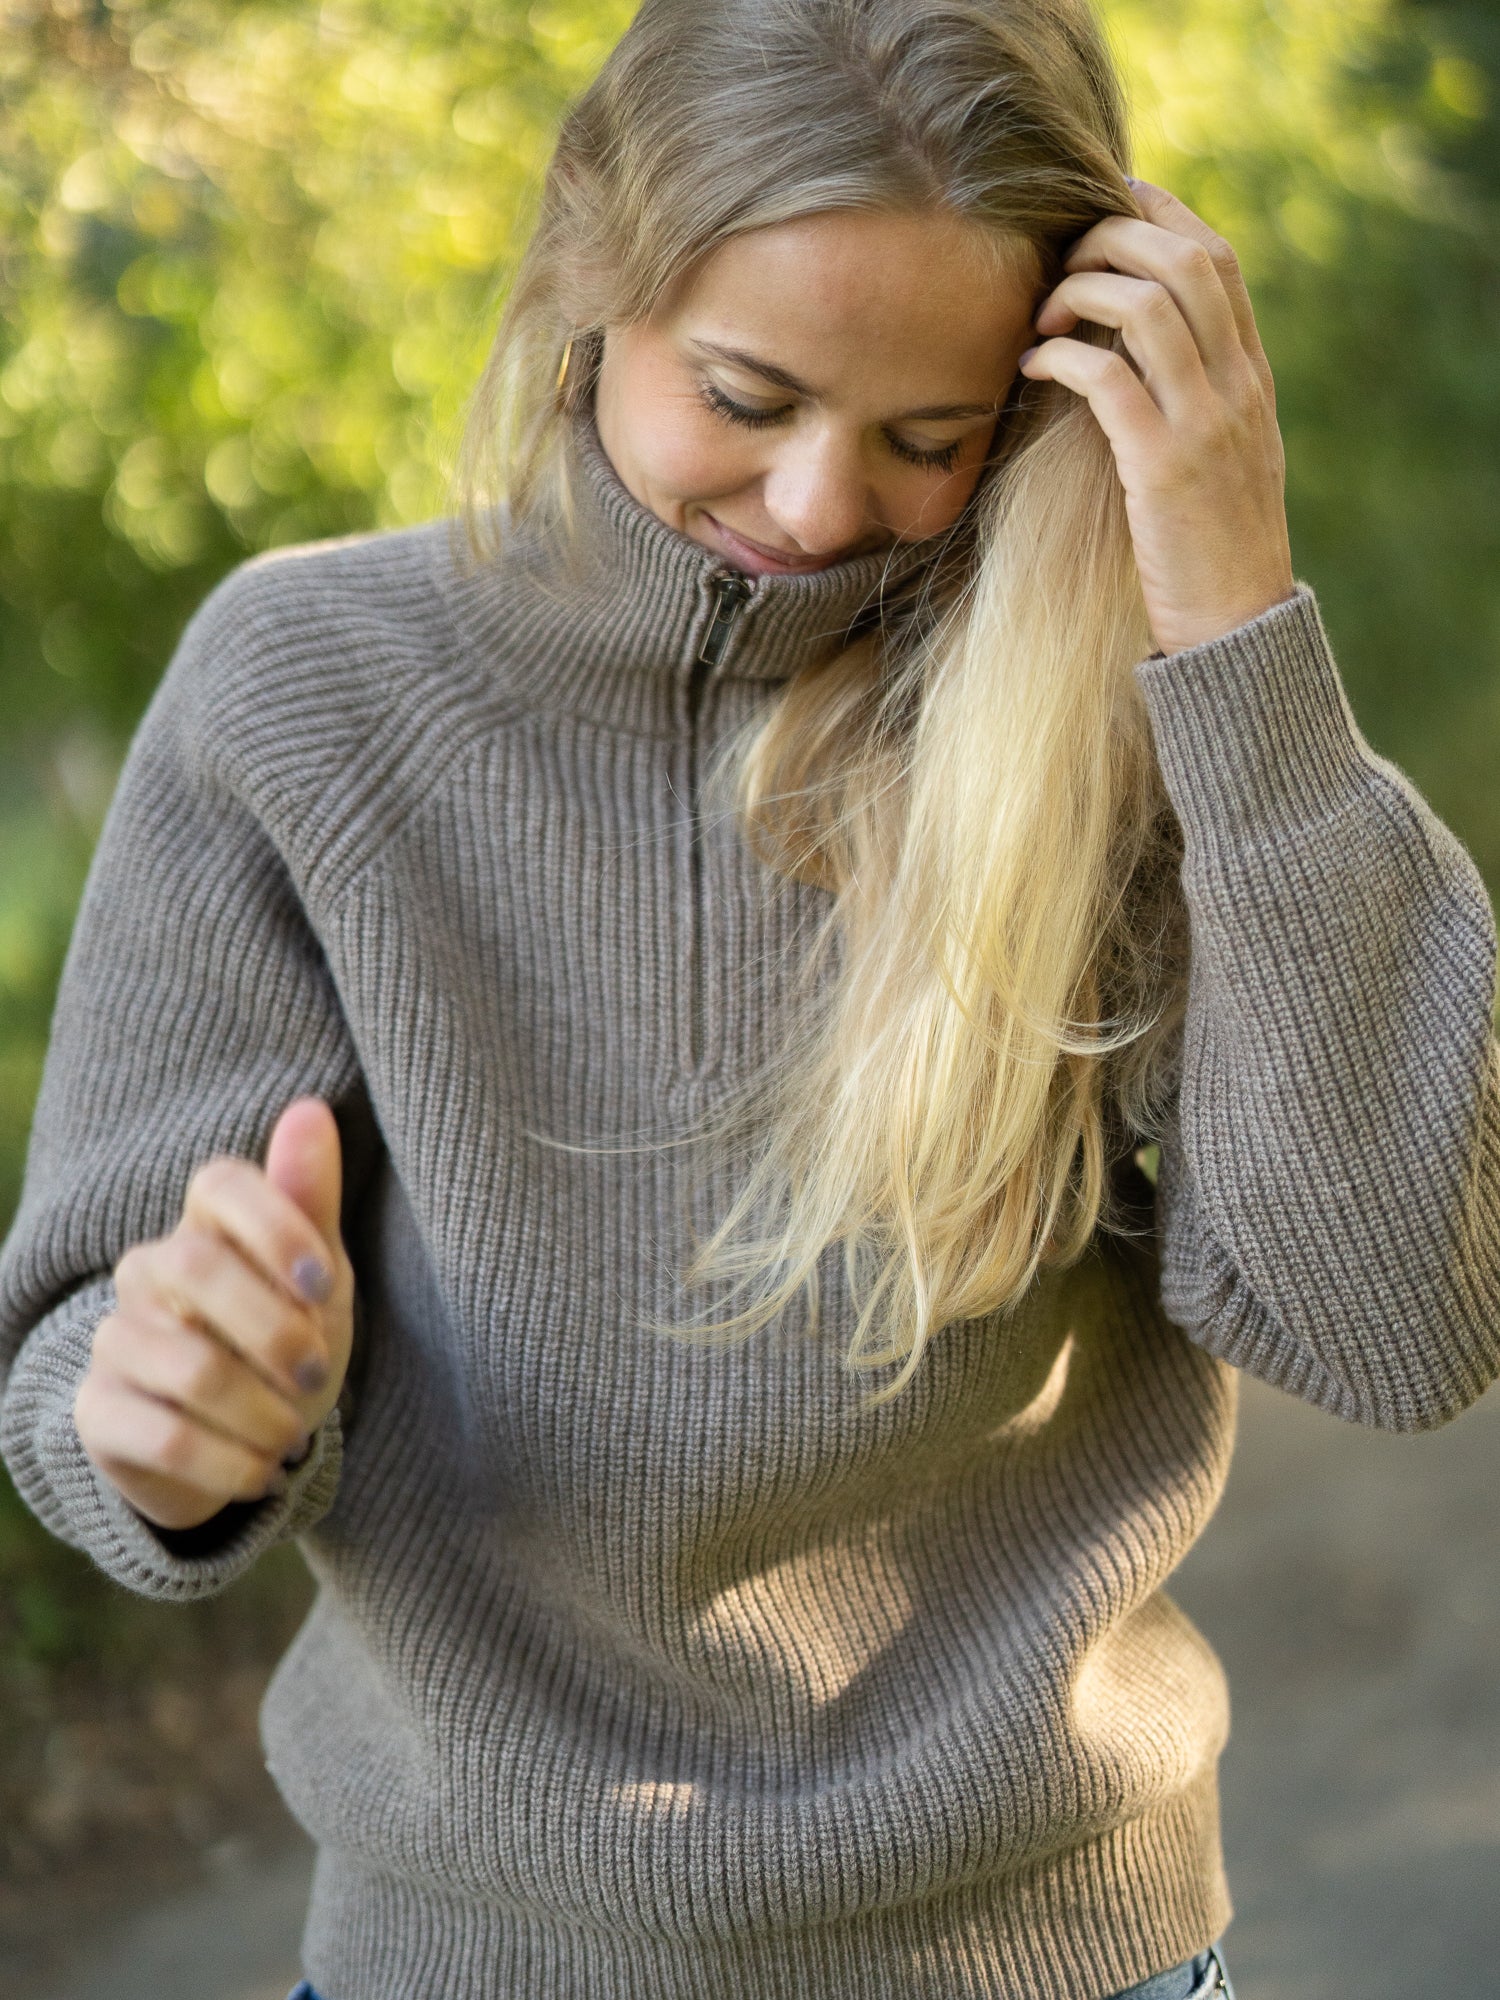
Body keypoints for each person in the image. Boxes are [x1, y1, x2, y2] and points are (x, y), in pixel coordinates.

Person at [2, 0, 1496, 1994]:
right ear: (585, 283)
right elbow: (76, 1355)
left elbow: (1400, 1320)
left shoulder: (1115, 726)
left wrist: (1233, 622)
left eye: (927, 438)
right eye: (747, 391)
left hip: (1061, 1959)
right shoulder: (305, 691)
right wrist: (165, 1418)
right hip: (469, 1958)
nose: (812, 508)